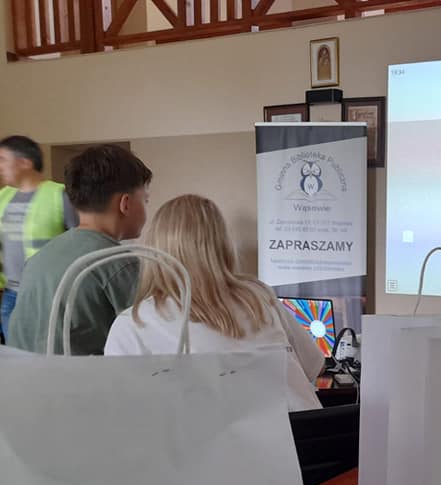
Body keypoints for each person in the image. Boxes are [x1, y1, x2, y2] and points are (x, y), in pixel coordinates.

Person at [105, 194, 324, 411]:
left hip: (239, 433)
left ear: (156, 249)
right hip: (309, 429)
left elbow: (123, 411)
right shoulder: (260, 296)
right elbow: (314, 365)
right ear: (223, 245)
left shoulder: (133, 324)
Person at [6, 144, 150, 354]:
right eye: (145, 200)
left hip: (25, 371)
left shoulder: (39, 258)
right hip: (83, 374)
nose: (146, 206)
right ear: (125, 204)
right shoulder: (117, 262)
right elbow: (149, 337)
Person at [0, 135, 78, 339]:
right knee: (15, 354)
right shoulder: (3, 196)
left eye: (3, 159)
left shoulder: (59, 194)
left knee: (44, 351)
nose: (0, 166)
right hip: (10, 294)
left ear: (25, 163)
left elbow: (80, 241)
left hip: (46, 295)